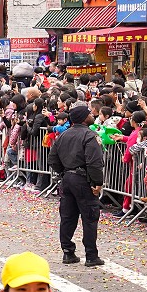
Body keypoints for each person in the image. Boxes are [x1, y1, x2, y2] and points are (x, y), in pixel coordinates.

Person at [49, 103, 106, 267]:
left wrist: (65, 172)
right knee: (89, 217)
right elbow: (94, 162)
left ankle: (68, 251)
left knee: (67, 217)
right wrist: (97, 183)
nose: (92, 115)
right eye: (89, 113)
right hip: (83, 180)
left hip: (67, 178)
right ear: (83, 117)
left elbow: (52, 159)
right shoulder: (89, 135)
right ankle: (91, 255)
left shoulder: (64, 135)